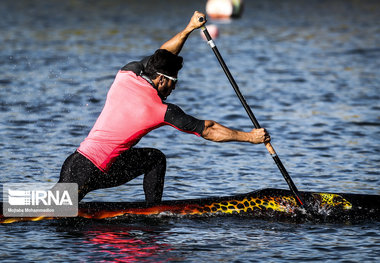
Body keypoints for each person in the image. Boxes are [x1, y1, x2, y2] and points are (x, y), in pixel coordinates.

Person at [58, 11, 270, 205]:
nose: (174, 88)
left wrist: (188, 29)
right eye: (173, 82)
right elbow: (208, 129)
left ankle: (151, 209)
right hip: (92, 172)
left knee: (154, 159)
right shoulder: (160, 109)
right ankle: (153, 211)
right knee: (47, 214)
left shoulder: (127, 74)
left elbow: (162, 55)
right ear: (160, 80)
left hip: (75, 163)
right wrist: (251, 137)